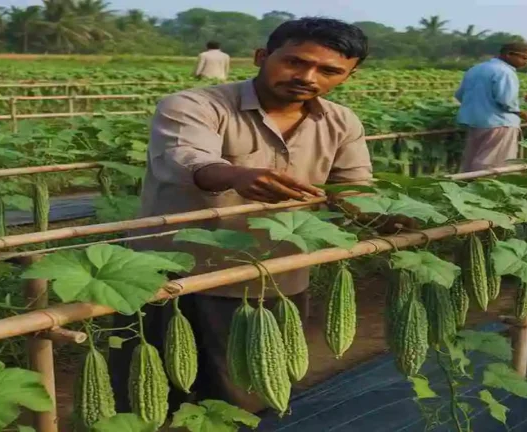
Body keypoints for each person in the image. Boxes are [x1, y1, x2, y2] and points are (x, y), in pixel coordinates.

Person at [109, 17, 375, 414]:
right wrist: (234, 174)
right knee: (150, 396)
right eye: (295, 62)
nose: (307, 76)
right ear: (262, 57)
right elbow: (186, 157)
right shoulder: (195, 105)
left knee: (247, 397)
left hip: (273, 278)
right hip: (171, 273)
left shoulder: (342, 122)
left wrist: (380, 216)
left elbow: (353, 187)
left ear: (349, 75)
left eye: (329, 70)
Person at [454, 42, 527, 172]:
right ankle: (485, 189)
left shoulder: (476, 69)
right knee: (494, 164)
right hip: (500, 123)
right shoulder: (505, 72)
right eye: (524, 58)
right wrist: (523, 112)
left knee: (472, 160)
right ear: (509, 54)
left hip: (475, 122)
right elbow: (506, 101)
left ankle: (467, 187)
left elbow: (460, 95)